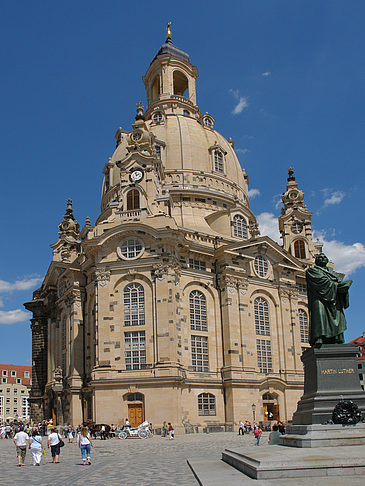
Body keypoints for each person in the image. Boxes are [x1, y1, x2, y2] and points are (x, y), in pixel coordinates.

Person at [306, 253, 352, 346]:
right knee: (319, 315)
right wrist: (337, 286)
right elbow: (321, 281)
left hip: (334, 299)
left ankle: (336, 337)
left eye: (324, 257)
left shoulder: (333, 273)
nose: (323, 259)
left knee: (337, 316)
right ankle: (319, 337)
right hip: (319, 298)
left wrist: (343, 288)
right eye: (320, 257)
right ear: (316, 260)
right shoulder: (312, 270)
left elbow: (337, 282)